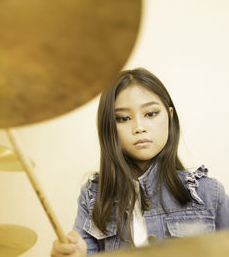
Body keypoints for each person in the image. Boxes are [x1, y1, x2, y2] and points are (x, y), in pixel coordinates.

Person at [51, 68, 229, 256]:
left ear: (169, 115)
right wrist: (72, 253)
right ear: (109, 127)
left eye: (151, 114)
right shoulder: (94, 196)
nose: (139, 127)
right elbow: (83, 251)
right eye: (123, 118)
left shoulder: (208, 194)